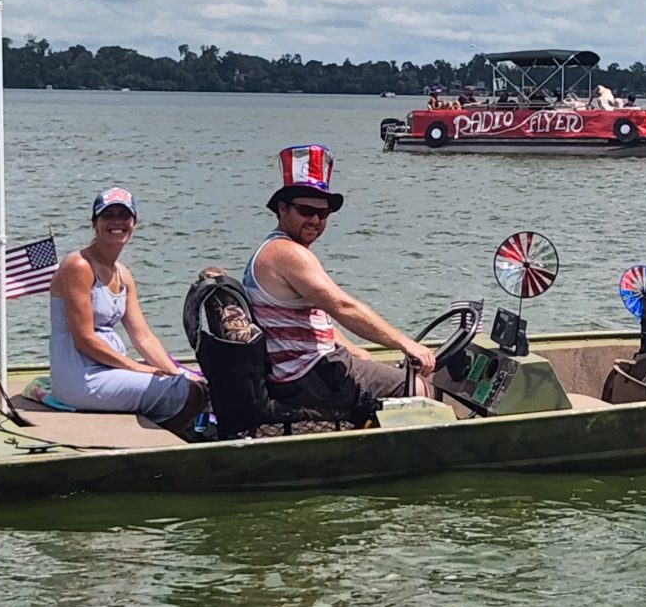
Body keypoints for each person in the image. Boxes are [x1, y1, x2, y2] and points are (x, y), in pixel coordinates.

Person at [243, 144, 437, 419]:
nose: (315, 220)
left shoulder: (277, 249)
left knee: (369, 362)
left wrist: (351, 348)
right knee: (416, 386)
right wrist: (406, 343)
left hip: (296, 369)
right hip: (305, 375)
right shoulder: (287, 253)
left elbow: (309, 320)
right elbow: (343, 306)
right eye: (305, 210)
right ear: (282, 209)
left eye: (323, 214)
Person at [49, 187, 207, 431]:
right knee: (187, 393)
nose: (117, 222)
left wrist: (174, 371)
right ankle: (166, 439)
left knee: (197, 384)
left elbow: (142, 336)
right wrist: (139, 369)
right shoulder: (78, 266)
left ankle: (168, 430)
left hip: (110, 367)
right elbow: (84, 339)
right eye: (108, 215)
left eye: (124, 216)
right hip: (81, 376)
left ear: (134, 223)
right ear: (95, 224)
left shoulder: (123, 274)